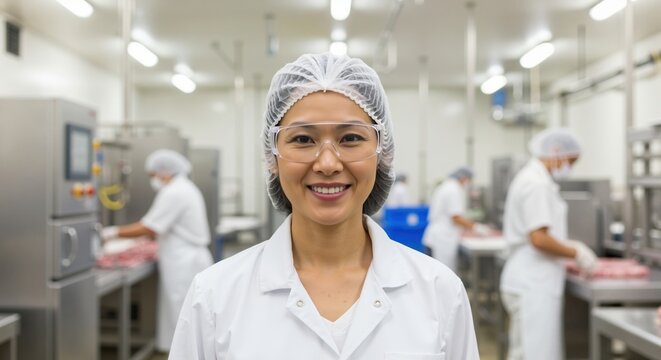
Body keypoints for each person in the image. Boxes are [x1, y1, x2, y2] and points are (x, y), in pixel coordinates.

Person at [169, 53, 478, 359]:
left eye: (351, 138)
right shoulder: (213, 297)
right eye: (303, 139)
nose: (328, 163)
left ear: (381, 152)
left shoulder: (440, 292)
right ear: (272, 157)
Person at [499, 128, 597, 360]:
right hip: (534, 282)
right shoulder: (536, 184)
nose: (569, 168)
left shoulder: (533, 179)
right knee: (537, 353)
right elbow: (539, 238)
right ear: (556, 153)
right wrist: (576, 252)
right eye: (570, 161)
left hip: (528, 278)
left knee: (524, 351)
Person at [101, 149, 213, 353]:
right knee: (181, 314)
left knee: (183, 315)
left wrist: (110, 233)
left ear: (165, 172)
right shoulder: (183, 188)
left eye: (153, 175)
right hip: (183, 257)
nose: (153, 180)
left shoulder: (175, 192)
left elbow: (150, 227)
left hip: (184, 261)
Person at [422, 166, 490, 271]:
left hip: (438, 235)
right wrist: (476, 227)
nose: (468, 183)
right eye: (469, 179)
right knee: (443, 272)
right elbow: (456, 217)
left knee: (438, 272)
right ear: (463, 178)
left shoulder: (446, 186)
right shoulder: (454, 189)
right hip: (443, 238)